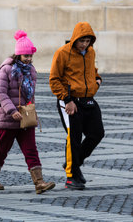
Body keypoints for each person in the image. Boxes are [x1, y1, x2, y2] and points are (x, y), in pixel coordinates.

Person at [0, 30, 55, 194]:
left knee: (31, 149)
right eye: (26, 56)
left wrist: (32, 112)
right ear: (18, 55)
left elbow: (31, 95)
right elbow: (1, 93)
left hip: (25, 117)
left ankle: (39, 182)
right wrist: (11, 110)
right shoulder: (6, 69)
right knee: (2, 150)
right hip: (9, 118)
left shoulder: (31, 70)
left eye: (31, 56)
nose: (29, 59)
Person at [49, 22, 104, 190]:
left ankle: (74, 163)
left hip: (88, 100)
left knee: (97, 134)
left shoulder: (90, 52)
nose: (84, 44)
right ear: (75, 39)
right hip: (70, 101)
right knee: (74, 138)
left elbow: (91, 70)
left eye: (88, 41)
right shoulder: (62, 53)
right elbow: (54, 79)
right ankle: (71, 176)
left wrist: (97, 80)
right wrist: (67, 100)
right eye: (82, 41)